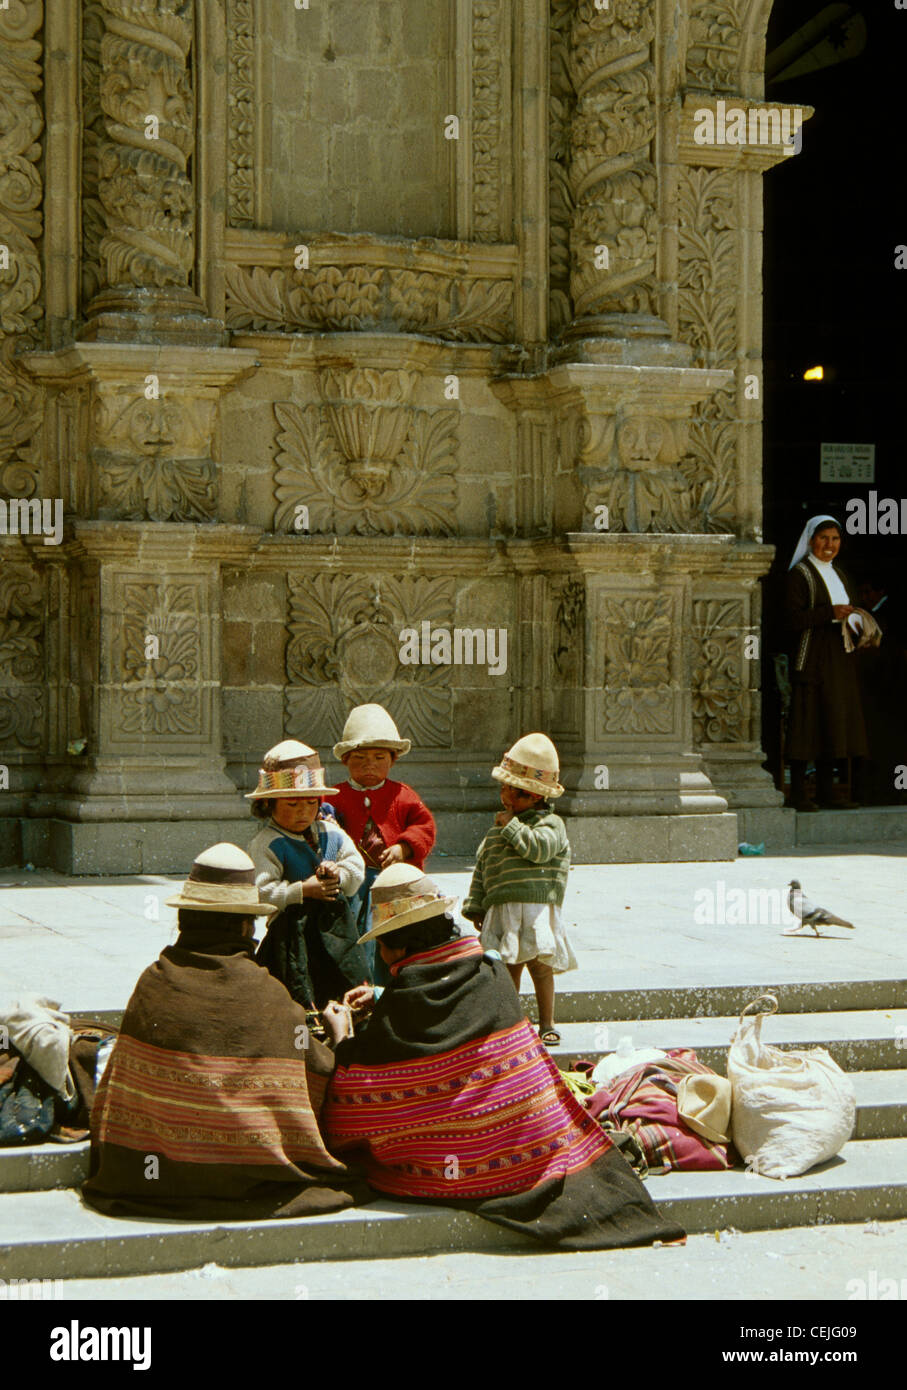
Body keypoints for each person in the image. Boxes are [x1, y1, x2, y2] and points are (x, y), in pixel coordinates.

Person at [321, 864, 684, 1251]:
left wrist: (341, 1035)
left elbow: (356, 1102)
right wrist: (380, 995)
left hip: (460, 1163)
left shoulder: (406, 999)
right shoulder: (491, 972)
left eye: (382, 944)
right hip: (538, 1145)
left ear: (398, 948)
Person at [82, 844, 366, 1220]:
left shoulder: (152, 983)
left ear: (187, 917)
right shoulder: (267, 994)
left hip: (153, 1176)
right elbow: (318, 1076)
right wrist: (340, 1037)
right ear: (246, 925)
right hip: (253, 1176)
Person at [462, 733, 575, 1046]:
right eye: (504, 790)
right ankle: (511, 1023)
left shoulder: (550, 824)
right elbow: (485, 865)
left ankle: (547, 1022)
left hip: (535, 908)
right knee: (508, 966)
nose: (506, 797)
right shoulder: (498, 830)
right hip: (504, 909)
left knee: (540, 967)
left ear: (536, 797)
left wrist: (511, 825)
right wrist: (477, 905)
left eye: (516, 793)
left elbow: (538, 851)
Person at [247, 740, 370, 1009]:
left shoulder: (331, 833)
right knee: (298, 998)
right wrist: (302, 890)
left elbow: (356, 868)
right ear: (269, 803)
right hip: (290, 940)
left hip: (338, 936)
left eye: (311, 802)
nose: (303, 811)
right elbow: (261, 892)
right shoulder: (267, 843)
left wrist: (339, 875)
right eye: (292, 804)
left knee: (343, 989)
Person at [330, 704, 436, 986]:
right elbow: (325, 830)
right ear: (345, 760)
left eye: (379, 757)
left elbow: (424, 827)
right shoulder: (336, 796)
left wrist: (404, 847)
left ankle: (390, 984)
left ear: (393, 759)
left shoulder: (402, 795)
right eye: (360, 758)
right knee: (355, 933)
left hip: (392, 884)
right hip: (355, 883)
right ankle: (357, 984)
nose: (369, 765)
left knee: (392, 935)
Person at [785, 515, 870, 811]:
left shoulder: (841, 575)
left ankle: (826, 792)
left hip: (839, 661)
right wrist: (828, 613)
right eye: (823, 538)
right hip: (811, 660)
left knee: (833, 725)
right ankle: (798, 793)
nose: (829, 545)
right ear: (810, 540)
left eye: (835, 539)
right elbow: (791, 620)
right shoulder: (800, 575)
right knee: (806, 726)